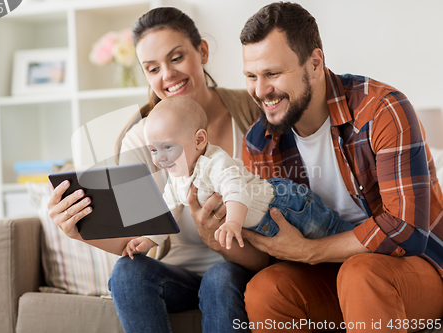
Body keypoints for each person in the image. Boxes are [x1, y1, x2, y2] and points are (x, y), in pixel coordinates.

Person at [47, 7, 267, 333]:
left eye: (176, 57)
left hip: (237, 266)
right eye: (152, 68)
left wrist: (219, 237)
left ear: (202, 51)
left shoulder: (252, 111)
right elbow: (135, 238)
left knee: (220, 279)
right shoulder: (140, 137)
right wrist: (79, 231)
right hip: (175, 275)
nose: (167, 75)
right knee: (126, 272)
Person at [238, 2, 443, 332]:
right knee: (266, 289)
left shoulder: (382, 110)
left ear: (315, 64)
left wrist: (310, 251)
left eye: (273, 74)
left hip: (413, 268)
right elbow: (271, 245)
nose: (261, 91)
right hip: (329, 274)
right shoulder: (260, 140)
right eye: (251, 76)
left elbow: (407, 231)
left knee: (360, 273)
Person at [123, 95, 354, 258]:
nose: (159, 158)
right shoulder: (177, 179)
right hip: (265, 227)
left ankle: (362, 239)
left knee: (330, 231)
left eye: (167, 147)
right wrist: (150, 239)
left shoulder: (214, 162)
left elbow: (235, 189)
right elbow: (168, 211)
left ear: (200, 140)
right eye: (153, 150)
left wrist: (232, 222)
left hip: (287, 205)